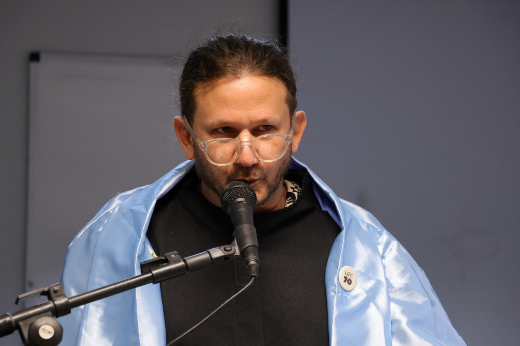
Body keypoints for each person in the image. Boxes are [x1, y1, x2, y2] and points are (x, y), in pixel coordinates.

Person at [60, 35, 466, 345]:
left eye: (266, 130)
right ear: (186, 137)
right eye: (224, 132)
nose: (248, 155)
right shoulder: (121, 233)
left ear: (296, 131)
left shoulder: (365, 245)